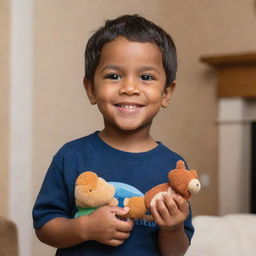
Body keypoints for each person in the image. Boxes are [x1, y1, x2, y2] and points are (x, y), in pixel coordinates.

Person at [33, 14, 194, 256]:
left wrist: (172, 229)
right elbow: (44, 226)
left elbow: (176, 252)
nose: (129, 88)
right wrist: (85, 228)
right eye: (114, 76)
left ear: (166, 93)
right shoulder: (71, 155)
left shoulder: (174, 168)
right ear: (91, 89)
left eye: (146, 77)